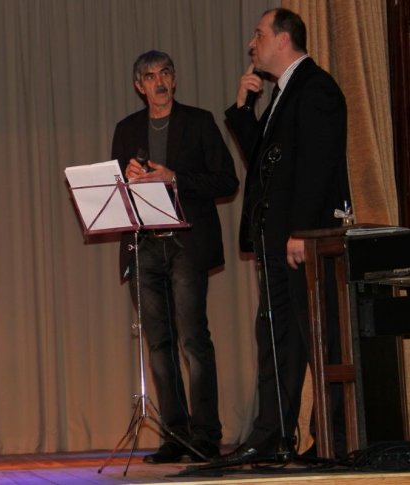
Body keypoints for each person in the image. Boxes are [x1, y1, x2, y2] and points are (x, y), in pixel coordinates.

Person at [216, 8, 350, 464]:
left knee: (319, 339)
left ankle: (333, 442)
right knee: (277, 340)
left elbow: (317, 167)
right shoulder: (283, 93)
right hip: (275, 242)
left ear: (283, 39)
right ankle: (272, 436)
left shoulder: (315, 88)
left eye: (259, 35)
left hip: (301, 241)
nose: (251, 44)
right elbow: (264, 162)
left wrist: (301, 233)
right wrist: (242, 110)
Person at [112, 50, 238, 463]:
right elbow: (114, 190)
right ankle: (175, 436)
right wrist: (127, 179)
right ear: (139, 86)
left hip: (187, 244)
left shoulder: (199, 122)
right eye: (150, 76)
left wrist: (175, 178)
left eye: (165, 73)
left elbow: (227, 180)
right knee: (159, 344)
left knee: (193, 339)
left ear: (175, 78)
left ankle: (206, 436)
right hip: (144, 245)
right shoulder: (126, 129)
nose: (159, 81)